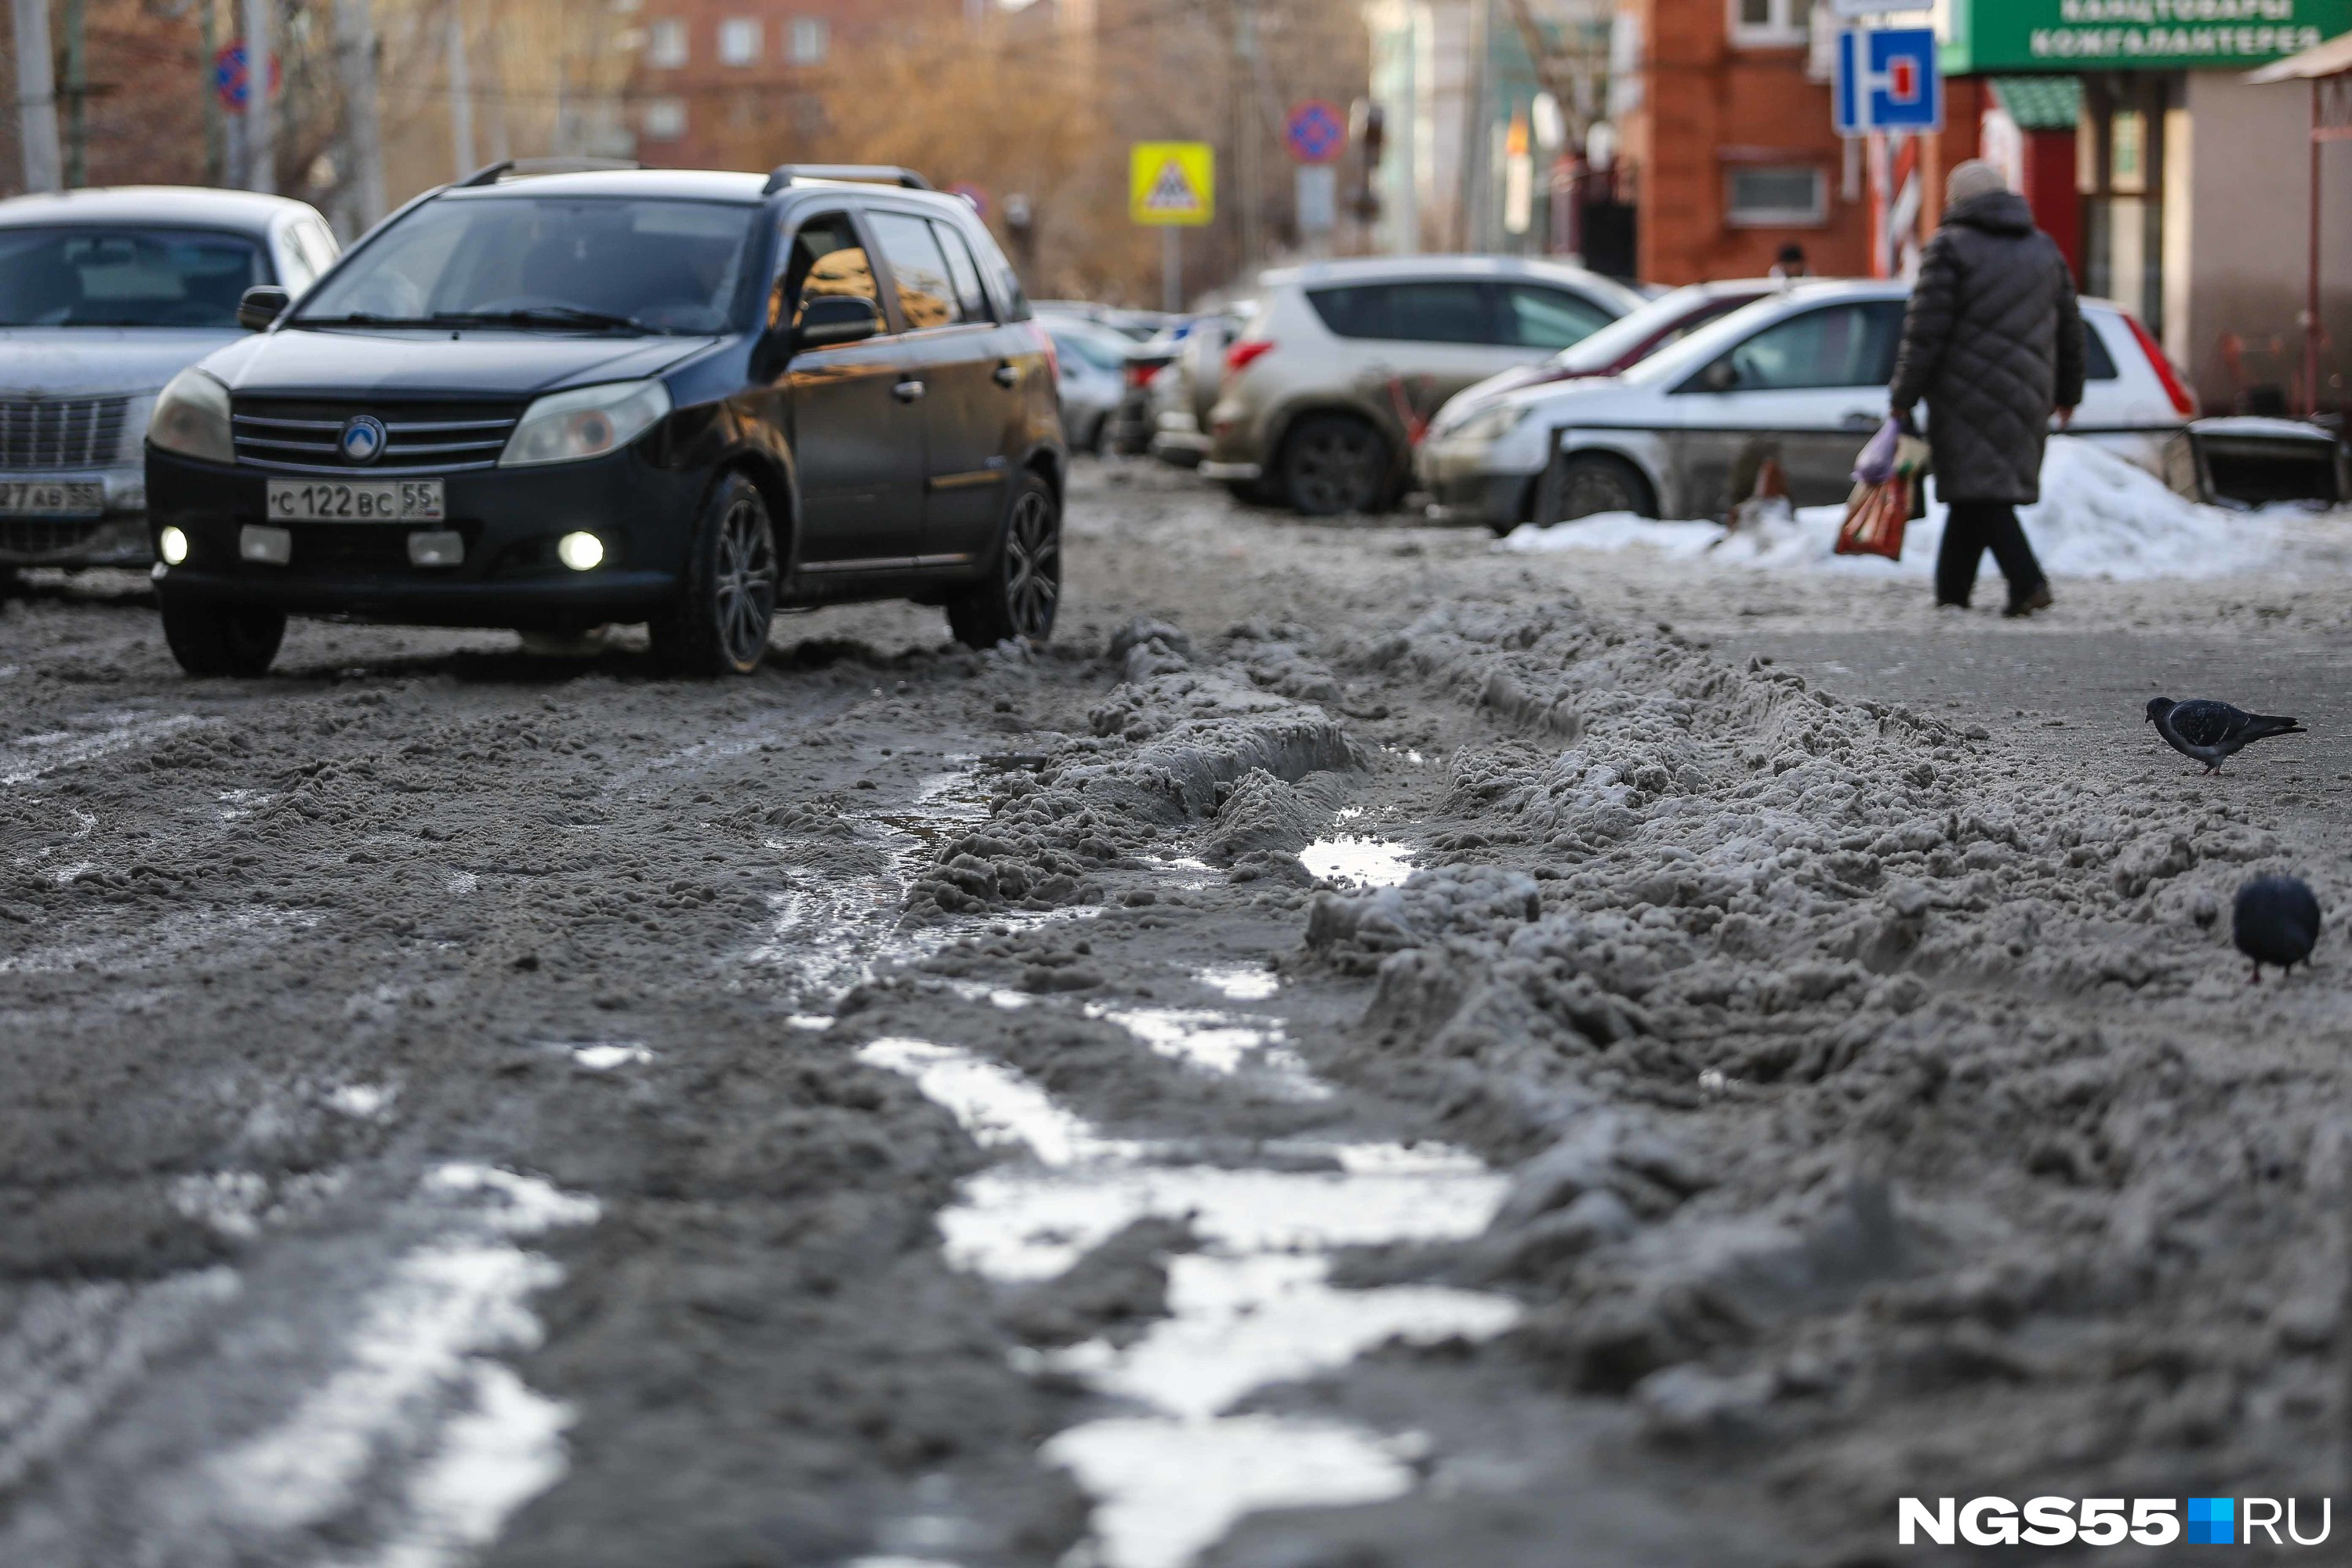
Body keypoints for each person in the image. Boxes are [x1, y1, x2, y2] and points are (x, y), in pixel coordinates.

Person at [1889, 159, 2085, 618]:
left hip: (1964, 396)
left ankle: (2028, 580)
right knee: (1972, 493)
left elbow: (1925, 333)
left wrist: (1903, 396)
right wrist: (2068, 392)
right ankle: (1952, 595)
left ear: (1957, 200)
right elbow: (2070, 328)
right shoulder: (2043, 249)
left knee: (1981, 494)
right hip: (2028, 392)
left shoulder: (1949, 248)